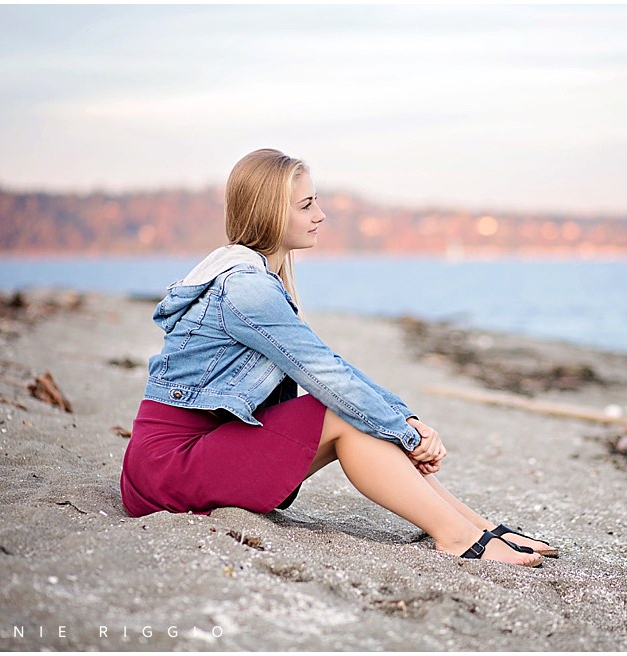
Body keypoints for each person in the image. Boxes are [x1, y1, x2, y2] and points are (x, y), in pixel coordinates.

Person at [120, 148, 557, 567]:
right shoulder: (246, 289)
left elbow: (332, 368)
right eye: (306, 204)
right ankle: (460, 537)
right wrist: (407, 431)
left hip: (189, 457)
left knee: (356, 414)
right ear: (271, 212)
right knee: (344, 412)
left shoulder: (255, 278)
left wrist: (404, 421)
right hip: (169, 467)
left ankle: (474, 529)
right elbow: (327, 377)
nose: (320, 215)